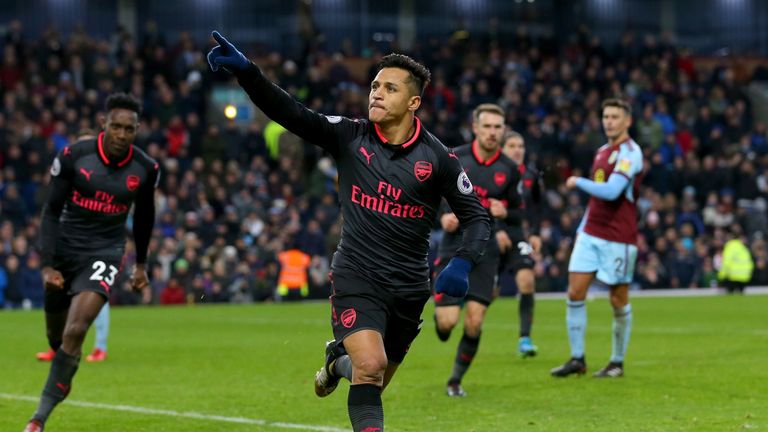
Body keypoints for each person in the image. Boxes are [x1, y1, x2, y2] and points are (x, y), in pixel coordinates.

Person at [207, 31, 489, 432]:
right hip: (357, 273)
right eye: (375, 85)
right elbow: (292, 113)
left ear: (413, 103)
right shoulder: (350, 136)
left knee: (369, 378)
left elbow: (477, 216)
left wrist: (461, 263)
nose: (376, 93)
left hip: (408, 286)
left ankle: (336, 361)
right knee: (370, 367)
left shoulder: (439, 159)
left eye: (390, 88)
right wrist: (250, 75)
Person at [24, 93, 159, 432]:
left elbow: (144, 219)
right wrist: (48, 265)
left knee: (76, 329)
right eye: (116, 126)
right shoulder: (73, 156)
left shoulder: (145, 169)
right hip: (64, 250)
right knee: (57, 338)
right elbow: (51, 211)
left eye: (129, 129)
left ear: (137, 130)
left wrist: (140, 265)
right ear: (104, 124)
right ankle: (63, 363)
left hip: (104, 253)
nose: (122, 134)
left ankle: (37, 420)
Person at [432, 104, 538, 397]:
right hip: (453, 243)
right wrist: (442, 216)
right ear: (476, 128)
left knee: (475, 321)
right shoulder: (455, 157)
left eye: (497, 127)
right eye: (487, 126)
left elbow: (518, 212)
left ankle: (455, 381)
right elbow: (432, 192)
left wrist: (505, 211)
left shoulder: (510, 169)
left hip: (485, 247)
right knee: (447, 322)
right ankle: (441, 323)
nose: (493, 132)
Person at [551, 98, 643, 379]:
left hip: (618, 237)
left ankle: (617, 362)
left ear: (627, 121)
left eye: (615, 117)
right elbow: (597, 199)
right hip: (590, 232)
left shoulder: (631, 153)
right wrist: (583, 226)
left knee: (617, 299)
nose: (609, 121)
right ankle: (578, 359)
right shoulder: (602, 151)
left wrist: (577, 181)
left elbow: (613, 191)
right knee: (575, 292)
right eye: (606, 116)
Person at [35, 131, 110, 364]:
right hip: (66, 245)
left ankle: (100, 346)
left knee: (94, 292)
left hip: (97, 246)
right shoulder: (67, 174)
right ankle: (59, 346)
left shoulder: (105, 179)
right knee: (60, 292)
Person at [501, 130, 543, 358]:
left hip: (517, 234)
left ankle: (525, 339)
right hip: (490, 231)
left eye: (521, 146)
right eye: (512, 146)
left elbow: (537, 205)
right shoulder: (492, 170)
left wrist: (535, 232)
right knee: (489, 293)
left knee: (527, 280)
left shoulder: (531, 174)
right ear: (502, 148)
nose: (518, 150)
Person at [717, 224, 754, 294]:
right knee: (740, 299)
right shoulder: (743, 247)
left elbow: (726, 263)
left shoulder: (730, 246)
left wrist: (721, 276)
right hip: (745, 276)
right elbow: (750, 262)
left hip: (733, 276)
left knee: (730, 299)